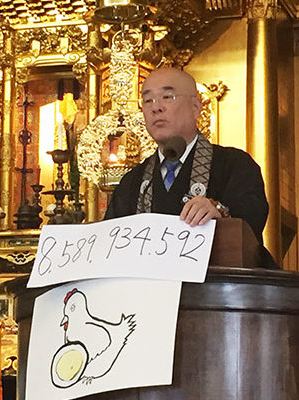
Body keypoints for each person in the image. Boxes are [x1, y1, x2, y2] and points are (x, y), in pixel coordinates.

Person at [104, 68, 277, 268]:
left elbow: (251, 222)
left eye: (167, 97)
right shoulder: (133, 181)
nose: (156, 107)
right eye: (148, 100)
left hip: (217, 292)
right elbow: (111, 241)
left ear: (196, 107)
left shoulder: (234, 164)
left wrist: (219, 211)